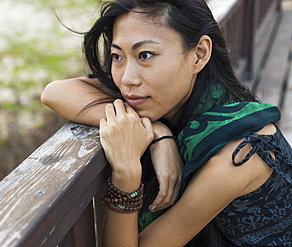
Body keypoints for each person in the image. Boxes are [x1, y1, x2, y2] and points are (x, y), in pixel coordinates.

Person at [41, 0, 292, 246]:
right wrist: (157, 131)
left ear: (199, 54)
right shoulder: (182, 99)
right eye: (117, 56)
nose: (127, 79)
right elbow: (55, 92)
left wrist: (126, 174)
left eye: (145, 55)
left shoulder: (237, 156)